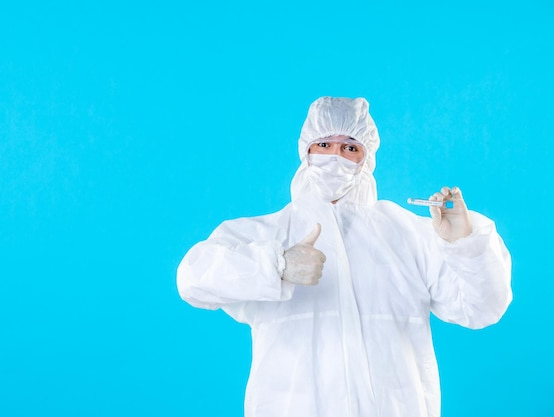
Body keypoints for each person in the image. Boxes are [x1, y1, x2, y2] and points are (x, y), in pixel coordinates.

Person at [176, 96, 512, 417]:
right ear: (305, 151)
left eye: (350, 147)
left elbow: (481, 309)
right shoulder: (268, 235)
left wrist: (464, 243)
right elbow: (192, 278)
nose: (335, 156)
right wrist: (275, 264)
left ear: (366, 159)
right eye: (323, 145)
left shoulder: (408, 235)